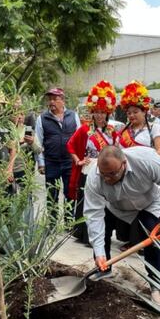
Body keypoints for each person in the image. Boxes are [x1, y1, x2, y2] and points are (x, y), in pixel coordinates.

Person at [84, 145, 160, 306]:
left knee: (153, 241)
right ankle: (103, 268)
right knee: (102, 230)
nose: (107, 179)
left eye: (112, 174)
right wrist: (99, 251)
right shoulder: (94, 177)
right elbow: (94, 216)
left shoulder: (146, 161)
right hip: (115, 206)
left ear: (124, 163)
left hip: (148, 204)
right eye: (103, 175)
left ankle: (156, 284)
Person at [66, 81, 118, 245]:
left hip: (104, 171)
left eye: (103, 112)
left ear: (108, 112)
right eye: (97, 112)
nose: (100, 115)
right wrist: (79, 161)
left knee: (101, 204)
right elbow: (70, 145)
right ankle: (83, 234)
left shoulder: (112, 132)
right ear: (92, 112)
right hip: (88, 169)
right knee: (86, 202)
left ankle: (100, 236)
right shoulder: (84, 129)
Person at [34, 87, 80, 209]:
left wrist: (78, 160)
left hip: (69, 163)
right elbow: (38, 142)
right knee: (51, 197)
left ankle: (68, 226)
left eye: (55, 99)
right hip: (51, 163)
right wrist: (41, 163)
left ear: (63, 101)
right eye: (49, 99)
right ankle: (51, 226)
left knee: (70, 196)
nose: (51, 102)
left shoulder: (73, 116)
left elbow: (79, 140)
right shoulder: (42, 119)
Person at [117, 81, 160, 157]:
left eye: (135, 112)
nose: (131, 115)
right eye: (129, 113)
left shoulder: (154, 128)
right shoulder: (123, 131)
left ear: (144, 112)